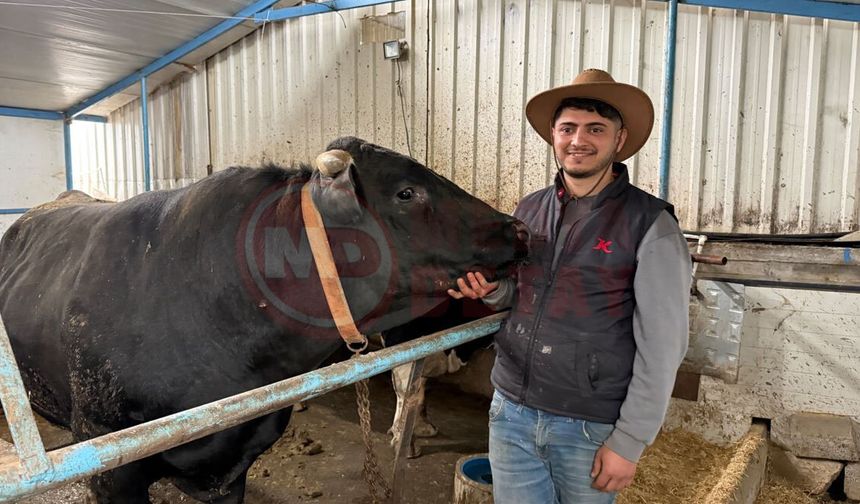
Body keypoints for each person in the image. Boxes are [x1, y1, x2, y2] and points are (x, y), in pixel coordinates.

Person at [448, 68, 692, 504]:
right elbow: (518, 295)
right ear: (553, 136)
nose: (579, 139)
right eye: (568, 128)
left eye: (595, 129)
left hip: (588, 425)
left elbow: (664, 344)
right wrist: (489, 291)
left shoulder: (651, 224)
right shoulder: (529, 209)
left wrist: (630, 440)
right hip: (511, 412)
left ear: (619, 140)